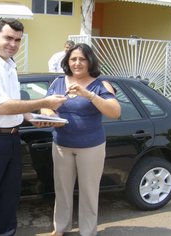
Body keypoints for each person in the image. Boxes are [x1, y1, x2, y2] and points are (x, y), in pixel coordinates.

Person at [0, 18, 67, 236]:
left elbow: (11, 102)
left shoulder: (9, 66)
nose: (13, 44)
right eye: (8, 38)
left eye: (17, 40)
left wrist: (31, 117)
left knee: (8, 199)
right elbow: (0, 107)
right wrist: (44, 102)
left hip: (10, 139)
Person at [41, 43, 121, 236]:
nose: (77, 63)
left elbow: (115, 112)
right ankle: (60, 228)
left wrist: (89, 95)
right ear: (67, 61)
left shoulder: (100, 85)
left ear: (90, 61)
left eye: (82, 59)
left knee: (88, 191)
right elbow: (45, 106)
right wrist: (50, 115)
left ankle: (87, 231)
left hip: (90, 147)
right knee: (62, 189)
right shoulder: (57, 82)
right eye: (73, 59)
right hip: (61, 144)